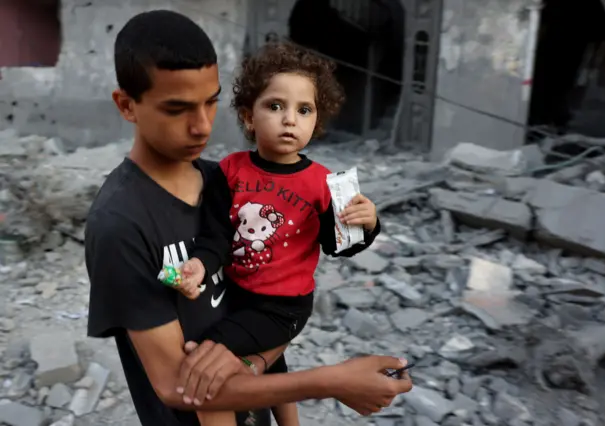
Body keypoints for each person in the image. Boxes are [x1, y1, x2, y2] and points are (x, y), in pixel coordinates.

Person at [84, 9, 412, 426]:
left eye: (210, 102)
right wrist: (331, 381)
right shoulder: (122, 224)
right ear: (127, 106)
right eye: (177, 108)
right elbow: (177, 386)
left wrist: (367, 223)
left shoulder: (216, 177)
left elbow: (294, 281)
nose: (202, 127)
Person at [172, 42, 382, 426]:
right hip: (237, 294)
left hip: (285, 306)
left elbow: (338, 246)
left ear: (315, 123)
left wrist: (367, 224)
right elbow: (216, 236)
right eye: (275, 106)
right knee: (273, 362)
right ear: (248, 116)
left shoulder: (322, 183)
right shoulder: (230, 172)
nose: (290, 120)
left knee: (210, 350)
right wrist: (200, 266)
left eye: (304, 110)